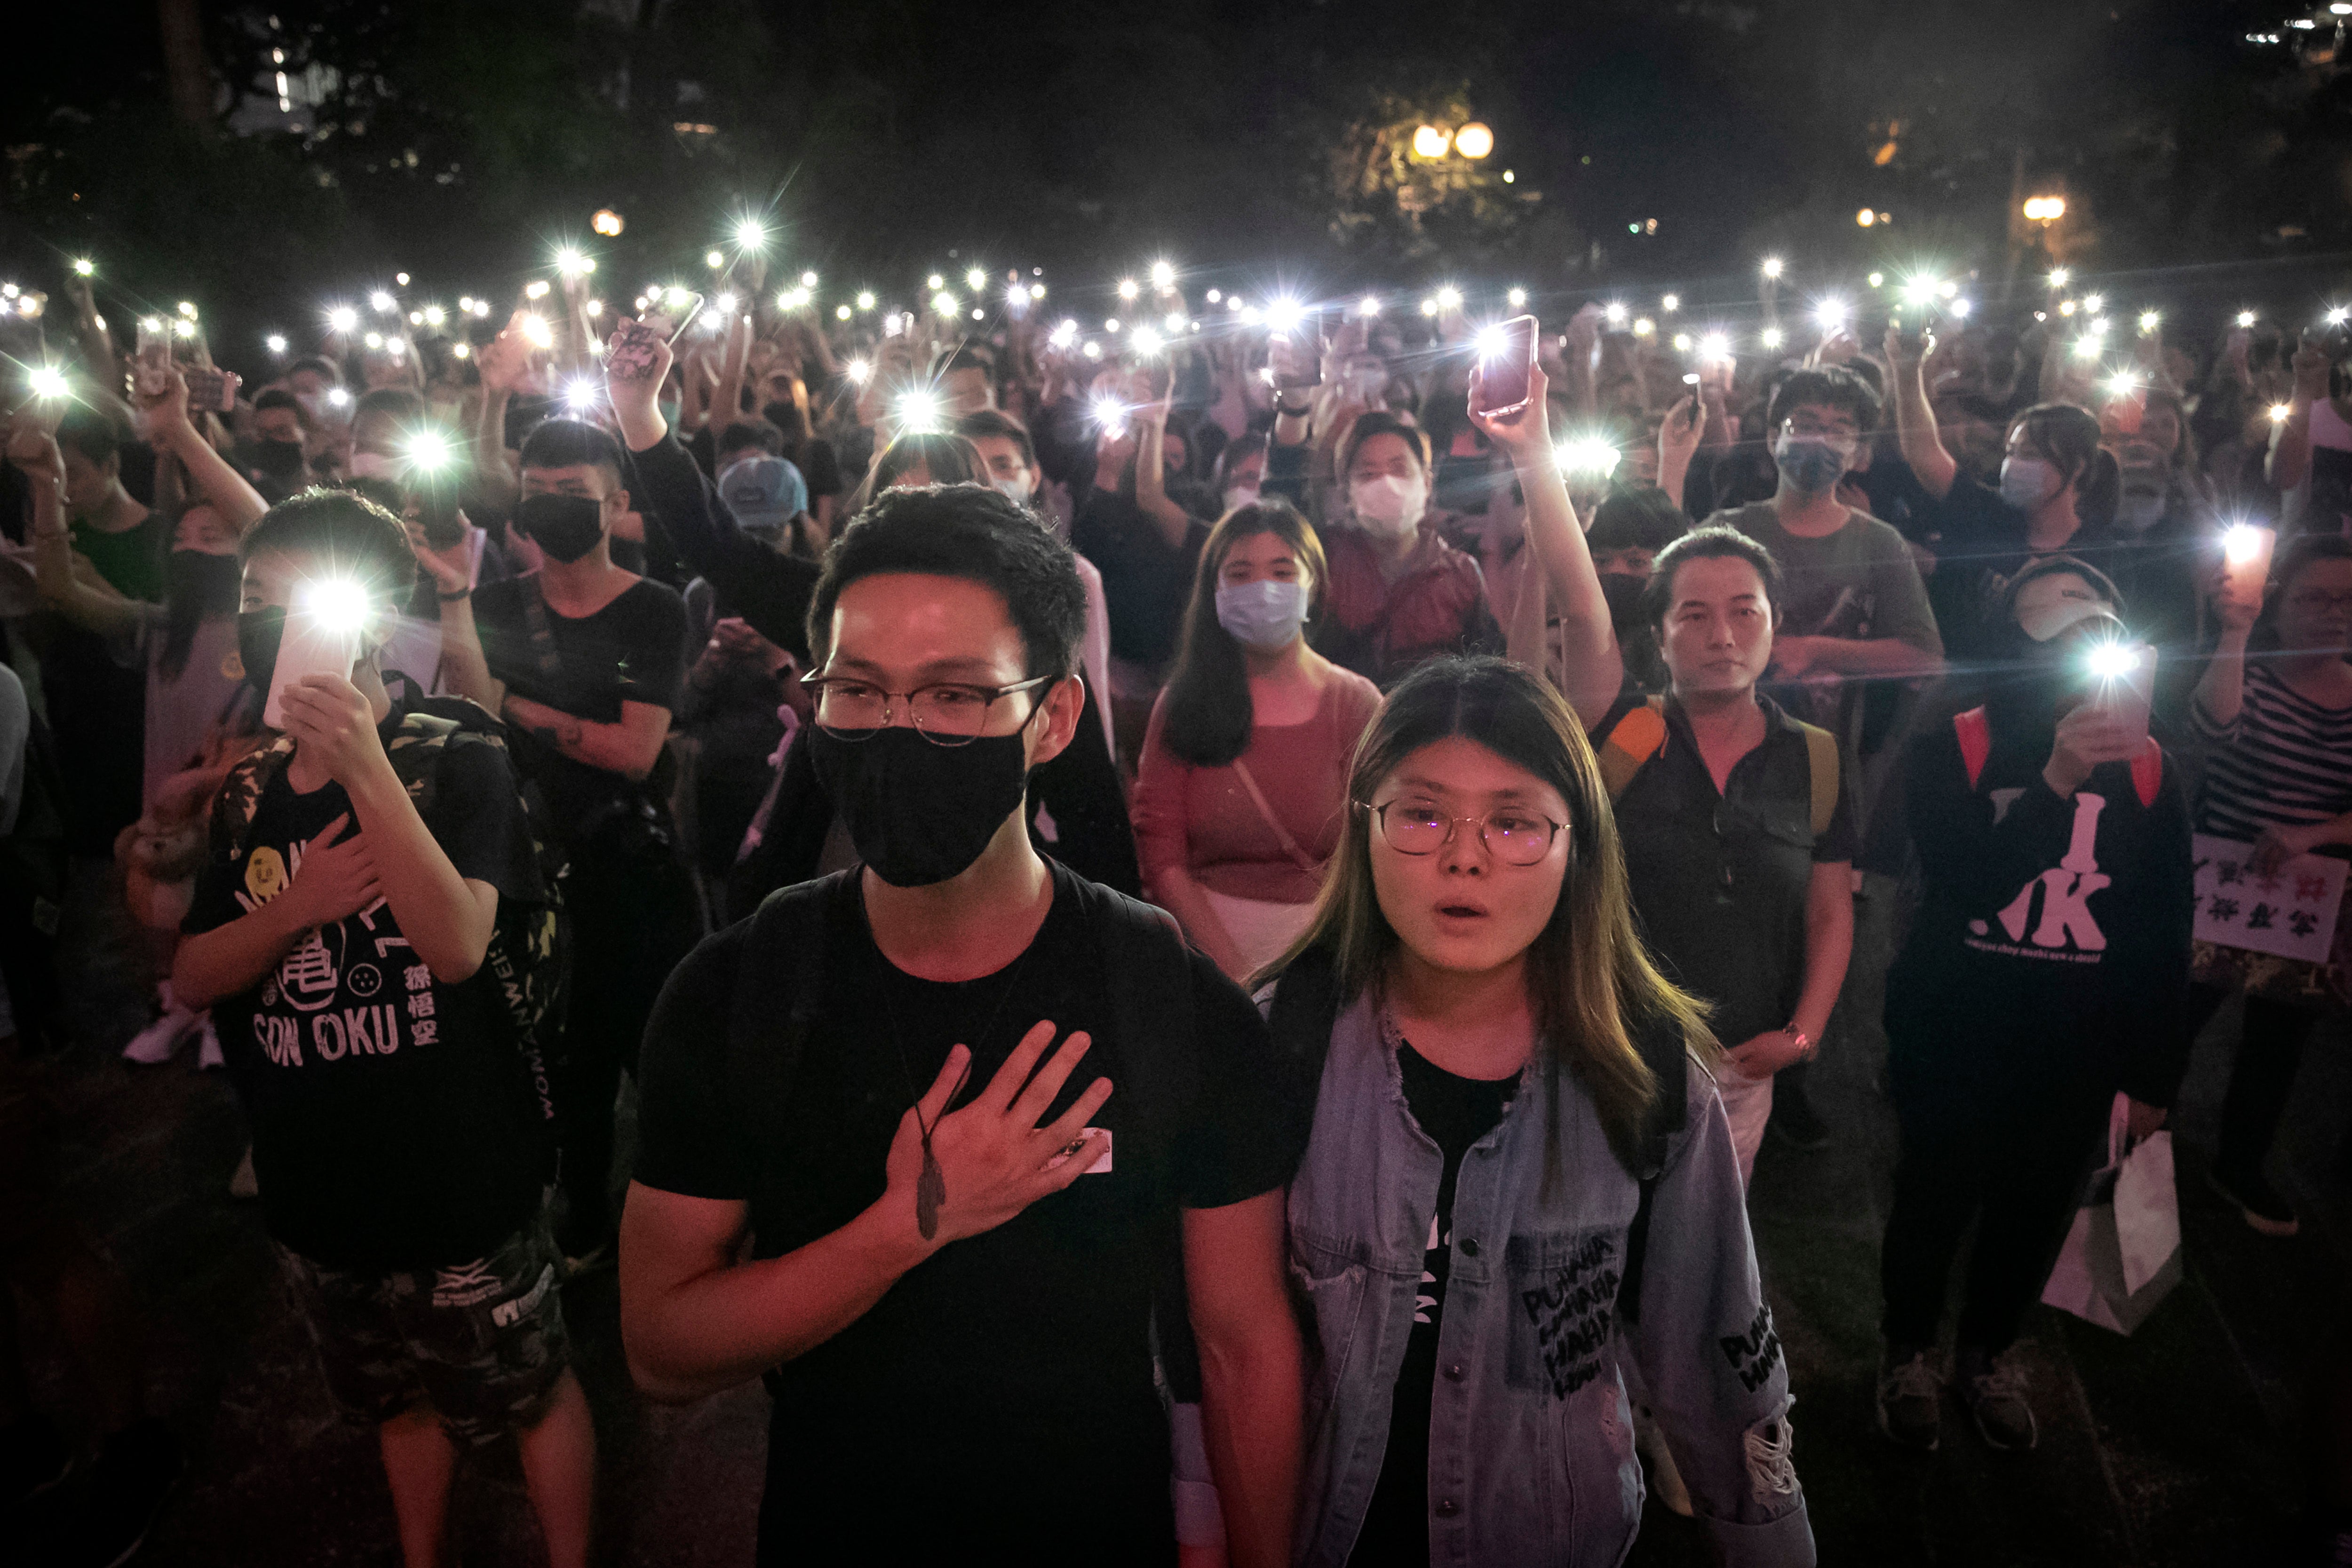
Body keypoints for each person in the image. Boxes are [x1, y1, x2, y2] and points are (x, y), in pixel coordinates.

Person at [619, 483, 1305, 1565]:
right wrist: (908, 1225)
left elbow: (1240, 1342)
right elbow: (660, 1343)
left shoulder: (1164, 998)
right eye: (859, 690)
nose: (899, 732)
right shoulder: (741, 990)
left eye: (954, 697)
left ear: (1055, 718)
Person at [1264, 656, 1812, 1566]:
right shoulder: (1283, 1043)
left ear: (1575, 846)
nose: (1465, 853)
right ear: (1365, 826)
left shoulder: (1645, 1077)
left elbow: (1718, 1356)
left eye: (1515, 821)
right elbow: (1218, 1343)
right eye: (1424, 813)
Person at [171, 489, 592, 1568]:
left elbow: (455, 944)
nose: (266, 621)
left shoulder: (457, 753)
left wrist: (362, 759)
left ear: (370, 612)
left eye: (294, 599)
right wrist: (296, 908)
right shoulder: (249, 789)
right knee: (392, 1401)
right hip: (316, 1172)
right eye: (254, 599)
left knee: (530, 1390)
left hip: (456, 1165)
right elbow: (191, 972)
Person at [1875, 562, 2192, 1454]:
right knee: (1932, 1196)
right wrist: (2055, 777)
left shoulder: (2153, 766)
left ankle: (1985, 1351)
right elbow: (1970, 884)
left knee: (2032, 1206)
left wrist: (2154, 1072)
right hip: (1956, 1030)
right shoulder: (1959, 739)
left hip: (2075, 1047)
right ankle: (1907, 1346)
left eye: (2098, 638)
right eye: (2057, 641)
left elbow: (2163, 924)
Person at [437, 417, 697, 1266]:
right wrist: (451, 605)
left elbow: (634, 751)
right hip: (534, 864)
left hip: (631, 867)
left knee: (657, 1055)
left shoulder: (654, 608)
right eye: (536, 493)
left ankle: (685, 1223)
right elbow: (471, 714)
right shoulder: (489, 602)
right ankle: (585, 1209)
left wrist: (523, 705)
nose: (551, 509)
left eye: (572, 496)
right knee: (566, 1056)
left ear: (616, 502)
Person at [1600, 528, 1856, 1182]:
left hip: (1741, 1065)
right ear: (1659, 636)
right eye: (1694, 614)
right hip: (1611, 1052)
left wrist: (1801, 1036)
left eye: (1746, 611)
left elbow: (1829, 909)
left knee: (1706, 1241)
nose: (1723, 635)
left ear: (1774, 624)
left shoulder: (1817, 758)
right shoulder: (1621, 739)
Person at [1132, 501, 1382, 981]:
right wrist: (1233, 972)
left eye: (1282, 571)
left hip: (1328, 962)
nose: (1262, 589)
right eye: (1240, 573)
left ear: (1314, 584)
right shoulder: (1183, 703)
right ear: (1214, 591)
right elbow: (1161, 852)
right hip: (1205, 965)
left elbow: (1377, 849)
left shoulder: (1354, 704)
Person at [2182, 534, 2352, 1237]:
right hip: (2218, 874)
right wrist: (2236, 631)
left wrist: (2313, 836)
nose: (2335, 613)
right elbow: (2211, 733)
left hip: (2309, 895)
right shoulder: (2246, 666)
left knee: (2279, 1040)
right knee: (2178, 1015)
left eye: (2349, 600)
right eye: (2316, 596)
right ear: (2279, 600)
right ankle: (2125, 1139)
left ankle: (2240, 1162)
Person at [1884, 335, 2121, 663]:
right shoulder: (1990, 515)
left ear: (2077, 467)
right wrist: (1908, 370)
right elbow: (1925, 456)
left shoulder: (2101, 548)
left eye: (2031, 454)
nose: (2014, 465)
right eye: (2011, 452)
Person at [1273, 410, 1506, 687]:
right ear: (1347, 492)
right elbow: (1282, 500)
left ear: (1427, 482)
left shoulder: (1461, 575)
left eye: (1399, 469)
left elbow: (1487, 674)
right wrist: (1295, 407)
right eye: (1368, 474)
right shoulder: (1325, 560)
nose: (1386, 484)